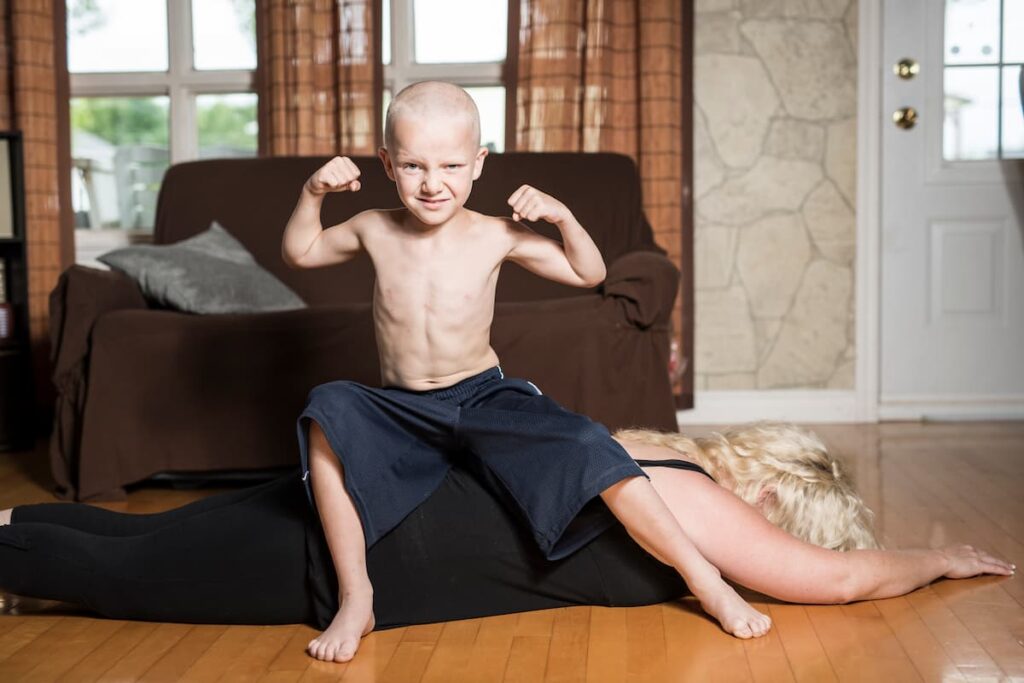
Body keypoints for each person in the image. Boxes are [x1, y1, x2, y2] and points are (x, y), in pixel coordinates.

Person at [281, 79, 769, 660]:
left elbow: (587, 273)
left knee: (588, 442)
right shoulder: (373, 226)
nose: (433, 183)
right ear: (386, 162)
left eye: (451, 165)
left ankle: (704, 578)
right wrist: (313, 192)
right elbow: (301, 251)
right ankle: (357, 595)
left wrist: (562, 217)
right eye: (413, 165)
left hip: (482, 395)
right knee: (327, 409)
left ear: (479, 163)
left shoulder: (495, 234)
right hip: (403, 405)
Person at [0, 422, 1013, 664]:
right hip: (357, 550)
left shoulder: (650, 454)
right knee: (122, 574)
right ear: (775, 498)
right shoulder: (692, 499)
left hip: (361, 499)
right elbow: (836, 581)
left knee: (143, 541)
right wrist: (938, 557)